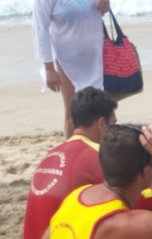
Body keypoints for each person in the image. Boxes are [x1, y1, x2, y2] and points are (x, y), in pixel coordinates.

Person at [24, 87, 152, 239]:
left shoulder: (53, 151)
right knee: (150, 211)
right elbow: (145, 199)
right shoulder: (96, 154)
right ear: (101, 123)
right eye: (113, 123)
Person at [32, 0, 110, 139]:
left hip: (95, 59)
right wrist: (49, 67)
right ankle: (70, 156)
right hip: (66, 62)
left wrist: (104, 7)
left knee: (100, 112)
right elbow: (40, 29)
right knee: (73, 115)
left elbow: (98, 13)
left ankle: (99, 155)